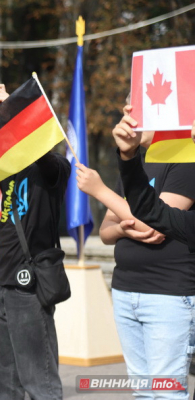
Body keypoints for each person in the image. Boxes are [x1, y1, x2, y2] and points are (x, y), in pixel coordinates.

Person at [78, 108, 195, 398]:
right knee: (143, 392)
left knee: (166, 392)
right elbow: (106, 231)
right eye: (125, 109)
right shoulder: (136, 162)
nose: (127, 115)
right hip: (126, 290)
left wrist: (100, 190)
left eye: (136, 108)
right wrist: (125, 228)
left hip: (167, 293)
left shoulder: (185, 159)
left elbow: (156, 223)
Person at [0, 84, 70, 399]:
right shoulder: (9, 166)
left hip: (29, 286)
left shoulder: (56, 168)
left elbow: (41, 153)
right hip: (0, 280)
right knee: (1, 386)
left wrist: (14, 112)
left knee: (40, 384)